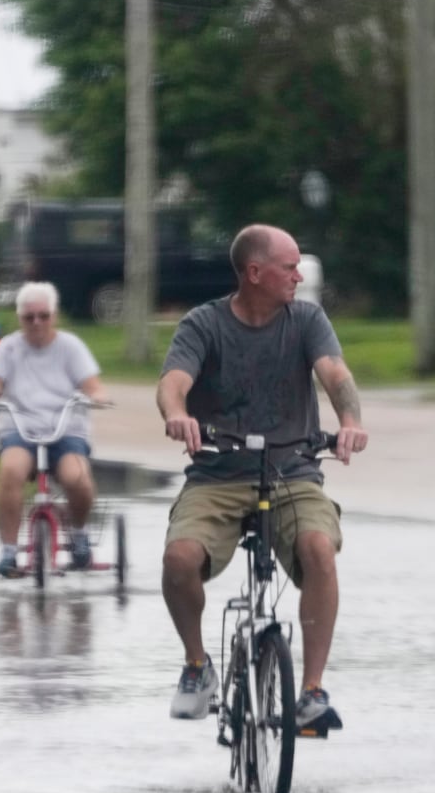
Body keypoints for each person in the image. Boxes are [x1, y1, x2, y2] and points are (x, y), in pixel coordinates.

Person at [157, 224, 368, 727]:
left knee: (319, 549)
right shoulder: (203, 325)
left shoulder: (306, 320)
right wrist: (176, 414)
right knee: (179, 558)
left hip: (292, 470)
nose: (299, 275)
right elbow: (173, 382)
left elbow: (335, 373)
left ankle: (312, 692)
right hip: (217, 474)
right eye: (289, 267)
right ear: (255, 273)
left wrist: (351, 422)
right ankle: (195, 665)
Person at [0, 282, 109, 576]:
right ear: (20, 318)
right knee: (10, 471)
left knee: (77, 478)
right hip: (21, 429)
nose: (37, 323)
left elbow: (93, 385)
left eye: (43, 316)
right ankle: (8, 549)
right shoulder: (9, 347)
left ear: (53, 315)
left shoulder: (71, 346)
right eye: (29, 317)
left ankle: (79, 534)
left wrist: (98, 396)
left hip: (65, 430)